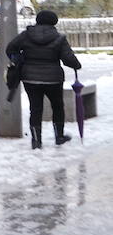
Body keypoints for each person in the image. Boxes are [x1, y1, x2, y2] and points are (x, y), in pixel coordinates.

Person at [5, 9, 82, 149]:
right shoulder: (59, 38)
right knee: (57, 106)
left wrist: (18, 59)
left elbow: (10, 49)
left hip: (30, 78)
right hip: (53, 79)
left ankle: (36, 141)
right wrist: (77, 65)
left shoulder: (25, 35)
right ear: (54, 22)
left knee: (35, 109)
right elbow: (68, 58)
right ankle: (59, 137)